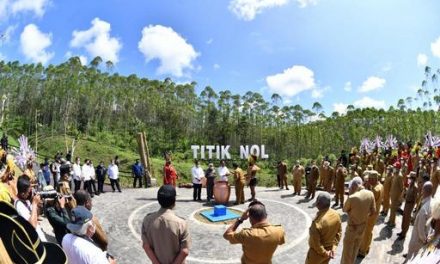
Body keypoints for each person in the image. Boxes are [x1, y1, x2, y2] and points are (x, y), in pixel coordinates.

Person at [141, 185, 191, 264]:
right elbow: (184, 251)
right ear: (174, 201)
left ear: (158, 200)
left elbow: (146, 247)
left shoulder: (147, 220)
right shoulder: (181, 223)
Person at [341, 176, 376, 264]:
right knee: (355, 251)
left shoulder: (352, 197)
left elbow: (344, 209)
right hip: (362, 227)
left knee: (347, 253)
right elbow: (373, 211)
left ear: (354, 185)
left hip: (352, 229)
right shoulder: (370, 194)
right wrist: (363, 217)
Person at [305, 192, 342, 264]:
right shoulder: (336, 215)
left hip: (317, 254)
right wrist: (333, 248)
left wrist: (325, 253)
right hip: (330, 250)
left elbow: (316, 243)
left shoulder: (317, 223)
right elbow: (339, 233)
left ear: (319, 204)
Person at [405, 181, 433, 260]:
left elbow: (420, 228)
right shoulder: (431, 202)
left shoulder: (424, 209)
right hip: (423, 237)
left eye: (422, 189)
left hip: (417, 239)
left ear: (423, 190)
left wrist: (424, 240)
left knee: (410, 258)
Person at [14, 175, 47, 242]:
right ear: (23, 194)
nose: (30, 193)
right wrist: (34, 204)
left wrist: (39, 205)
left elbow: (36, 216)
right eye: (28, 192)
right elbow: (32, 226)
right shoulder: (19, 205)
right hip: (35, 241)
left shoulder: (26, 200)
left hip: (39, 235)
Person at [359, 170, 384, 257]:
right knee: (369, 232)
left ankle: (362, 251)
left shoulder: (375, 190)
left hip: (371, 214)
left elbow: (368, 203)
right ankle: (367, 247)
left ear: (373, 179)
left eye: (369, 179)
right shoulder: (380, 185)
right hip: (375, 212)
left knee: (366, 232)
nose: (368, 181)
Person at [398, 172, 419, 240]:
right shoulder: (410, 184)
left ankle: (404, 234)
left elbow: (415, 199)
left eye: (410, 178)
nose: (408, 179)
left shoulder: (415, 187)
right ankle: (402, 231)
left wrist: (412, 208)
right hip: (406, 203)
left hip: (410, 205)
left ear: (413, 179)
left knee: (407, 220)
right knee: (404, 218)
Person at [388, 162, 404, 227]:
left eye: (395, 167)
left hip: (396, 196)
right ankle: (390, 220)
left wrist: (399, 198)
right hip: (392, 194)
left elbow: (401, 188)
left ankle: (392, 222)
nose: (394, 168)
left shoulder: (400, 176)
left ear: (398, 168)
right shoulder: (395, 174)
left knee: (393, 209)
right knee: (391, 208)